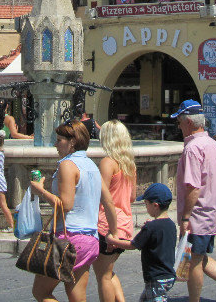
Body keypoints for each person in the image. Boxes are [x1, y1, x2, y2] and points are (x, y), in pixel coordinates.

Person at [29, 120, 118, 302]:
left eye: (60, 139)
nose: (55, 144)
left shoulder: (67, 165)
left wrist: (40, 191)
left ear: (73, 141)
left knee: (41, 292)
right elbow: (108, 201)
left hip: (69, 238)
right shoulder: (92, 165)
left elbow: (65, 205)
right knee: (77, 297)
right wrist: (113, 233)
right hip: (90, 240)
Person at [172, 99, 216, 302]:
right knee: (201, 256)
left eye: (179, 122)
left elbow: (193, 186)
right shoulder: (214, 145)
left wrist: (185, 218)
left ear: (188, 122)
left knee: (194, 260)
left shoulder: (193, 148)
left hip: (197, 215)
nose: (178, 126)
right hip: (211, 212)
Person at [105, 183, 177, 302]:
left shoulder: (151, 227)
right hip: (168, 275)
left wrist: (113, 240)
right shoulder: (170, 225)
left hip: (156, 278)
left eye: (146, 204)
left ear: (155, 205)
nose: (146, 207)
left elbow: (133, 245)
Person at [92, 120, 136, 302]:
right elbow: (132, 197)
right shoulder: (129, 164)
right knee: (109, 271)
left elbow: (101, 195)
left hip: (107, 224)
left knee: (103, 275)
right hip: (125, 223)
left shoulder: (107, 162)